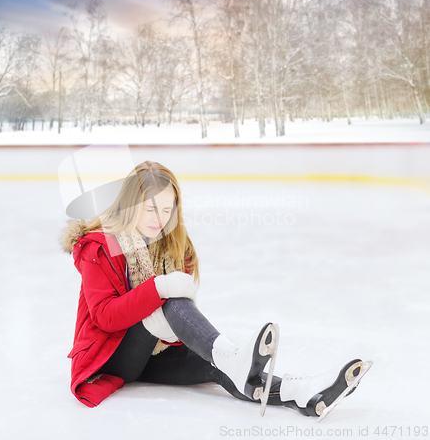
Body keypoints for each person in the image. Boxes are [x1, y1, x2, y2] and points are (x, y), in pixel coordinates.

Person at [60, 160, 371, 418]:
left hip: (158, 355)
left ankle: (299, 393)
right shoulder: (99, 246)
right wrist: (159, 288)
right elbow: (104, 318)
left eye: (168, 210)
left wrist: (167, 323)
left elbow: (178, 310)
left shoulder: (174, 244)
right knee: (169, 297)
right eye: (151, 209)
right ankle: (231, 355)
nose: (160, 219)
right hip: (111, 358)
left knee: (218, 367)